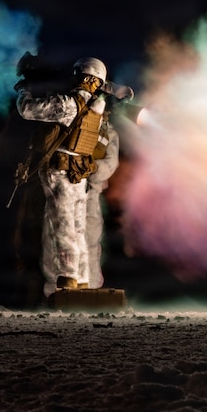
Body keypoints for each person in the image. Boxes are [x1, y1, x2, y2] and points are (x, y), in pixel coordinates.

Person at [14, 57, 112, 295]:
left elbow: (27, 110)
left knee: (64, 225)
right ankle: (81, 277)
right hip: (80, 173)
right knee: (78, 227)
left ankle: (68, 278)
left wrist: (24, 91)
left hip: (61, 172)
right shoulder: (96, 106)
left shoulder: (70, 103)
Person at [84, 114, 120, 289]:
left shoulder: (107, 133)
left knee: (90, 240)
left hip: (91, 192)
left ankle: (91, 288)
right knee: (60, 240)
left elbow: (110, 163)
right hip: (63, 189)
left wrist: (91, 167)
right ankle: (55, 291)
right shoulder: (71, 122)